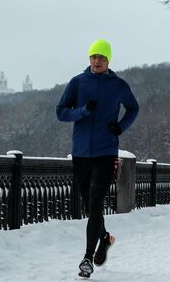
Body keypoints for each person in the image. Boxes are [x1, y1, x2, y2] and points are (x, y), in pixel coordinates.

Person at [56, 39, 139, 278]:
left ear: (108, 60)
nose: (96, 61)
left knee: (95, 203)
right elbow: (61, 111)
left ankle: (87, 259)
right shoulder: (77, 83)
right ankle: (104, 238)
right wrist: (82, 111)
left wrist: (121, 127)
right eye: (93, 57)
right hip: (81, 152)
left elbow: (134, 108)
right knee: (89, 205)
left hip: (106, 151)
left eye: (101, 57)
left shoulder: (118, 85)